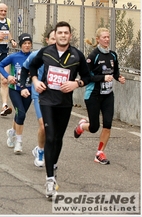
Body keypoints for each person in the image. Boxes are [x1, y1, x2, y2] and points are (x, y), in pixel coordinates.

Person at [27, 21, 91, 199]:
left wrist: (76, 83)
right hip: (47, 99)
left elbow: (87, 76)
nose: (63, 35)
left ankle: (53, 165)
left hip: (64, 102)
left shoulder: (77, 55)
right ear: (55, 35)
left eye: (66, 33)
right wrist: (35, 81)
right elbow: (32, 66)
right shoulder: (46, 51)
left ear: (70, 36)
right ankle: (49, 180)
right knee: (50, 136)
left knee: (58, 138)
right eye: (60, 33)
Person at [73, 28, 126, 165]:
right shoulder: (93, 56)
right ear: (98, 39)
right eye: (104, 37)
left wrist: (119, 77)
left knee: (108, 124)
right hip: (93, 95)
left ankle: (99, 153)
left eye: (108, 37)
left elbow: (115, 72)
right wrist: (103, 78)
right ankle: (82, 126)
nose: (107, 39)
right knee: (94, 127)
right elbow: (87, 76)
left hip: (108, 95)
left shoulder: (113, 55)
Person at [19, 29, 56, 167]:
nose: (55, 41)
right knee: (43, 125)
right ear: (47, 40)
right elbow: (24, 68)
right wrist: (23, 87)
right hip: (39, 94)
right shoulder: (37, 55)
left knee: (54, 128)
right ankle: (41, 151)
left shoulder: (63, 57)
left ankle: (47, 151)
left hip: (56, 96)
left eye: (56, 39)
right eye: (52, 39)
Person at [0, 33, 33, 154]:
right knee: (21, 114)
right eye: (25, 43)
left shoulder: (34, 57)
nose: (27, 46)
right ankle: (19, 142)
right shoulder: (14, 56)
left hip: (29, 90)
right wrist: (8, 76)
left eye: (29, 43)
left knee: (20, 114)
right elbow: (0, 65)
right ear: (20, 45)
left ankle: (12, 131)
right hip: (15, 89)